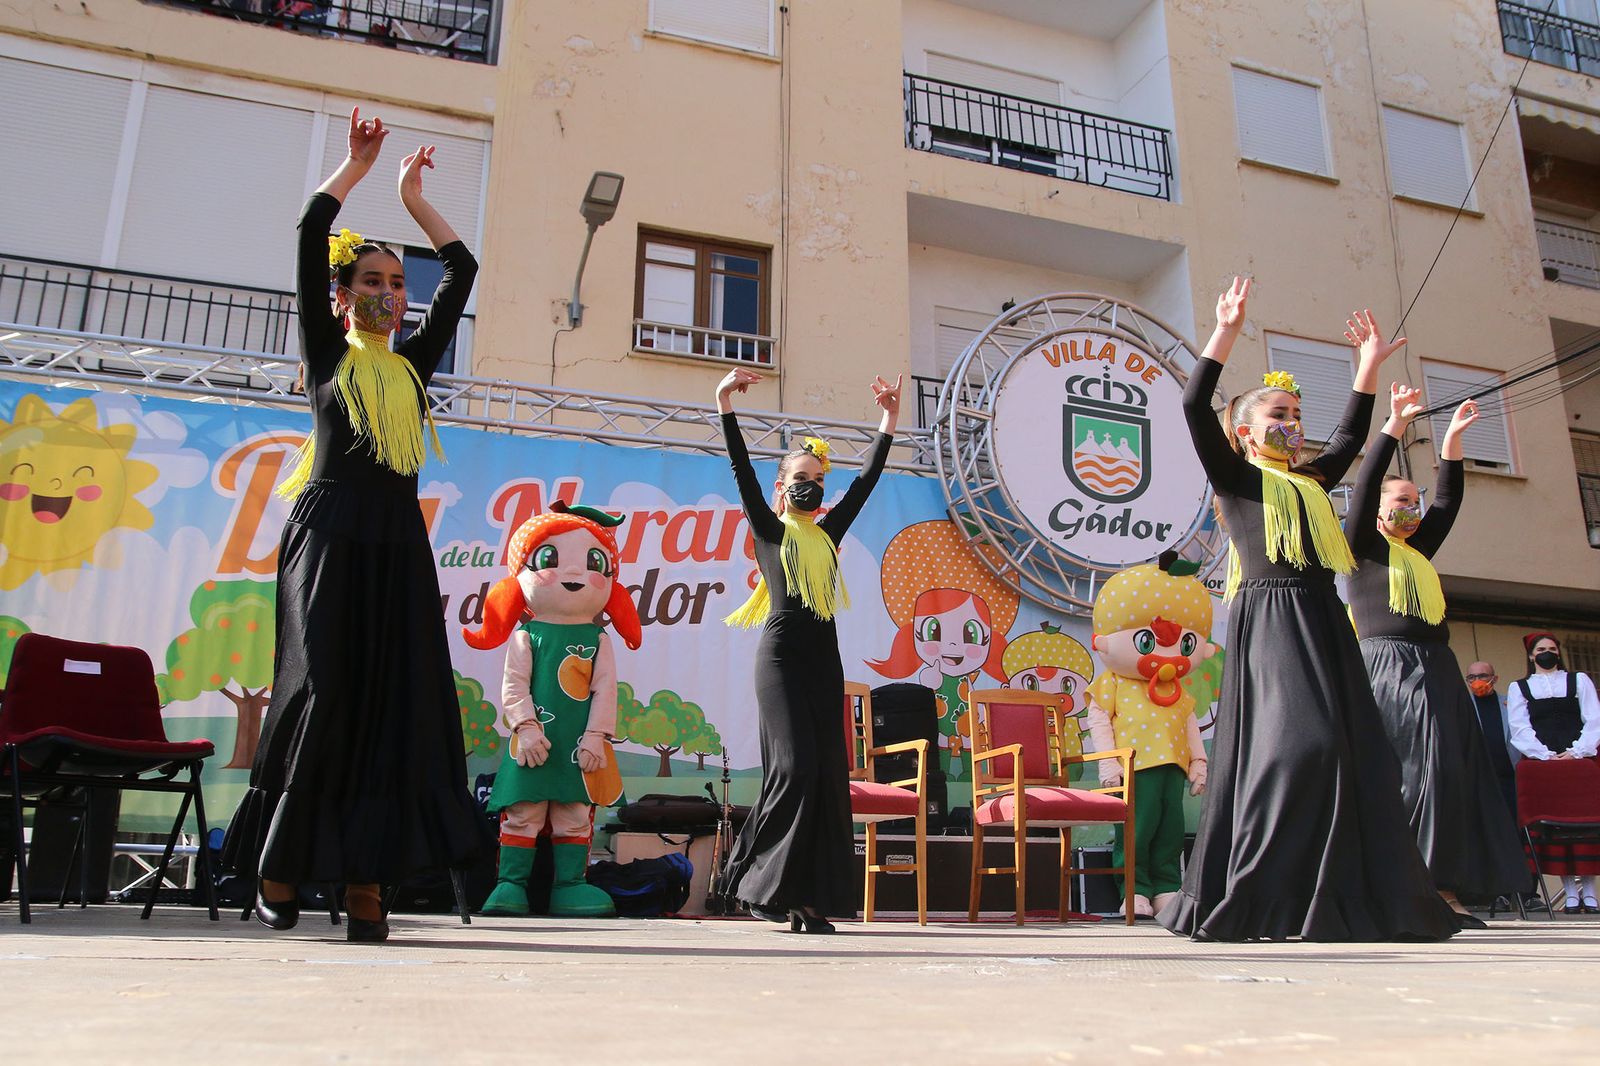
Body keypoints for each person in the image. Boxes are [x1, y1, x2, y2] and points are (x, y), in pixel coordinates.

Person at [221, 108, 485, 942]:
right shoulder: (329, 358)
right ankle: (280, 864)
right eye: (370, 281)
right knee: (324, 692)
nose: (387, 293)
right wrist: (355, 169)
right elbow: (311, 227)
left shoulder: (413, 364)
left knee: (393, 703)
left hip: (398, 544)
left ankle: (370, 884)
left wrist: (414, 200)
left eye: (396, 283)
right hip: (329, 534)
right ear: (340, 298)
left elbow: (462, 265)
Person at [1157, 281, 1458, 942]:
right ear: (1245, 430)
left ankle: (1318, 899)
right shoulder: (1237, 480)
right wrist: (1225, 331)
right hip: (1271, 622)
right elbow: (1190, 403)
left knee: (1357, 756)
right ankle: (1257, 890)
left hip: (1324, 619)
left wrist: (1369, 366)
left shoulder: (1315, 482)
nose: (1293, 426)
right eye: (1279, 416)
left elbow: (1353, 437)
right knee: (1301, 747)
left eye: (1296, 416)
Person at [716, 366, 899, 933]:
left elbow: (866, 482)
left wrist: (889, 419)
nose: (810, 485)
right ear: (782, 486)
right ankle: (761, 885)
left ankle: (807, 899)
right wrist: (724, 403)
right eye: (800, 476)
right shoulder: (769, 529)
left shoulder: (829, 532)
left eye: (818, 477)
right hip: (780, 659)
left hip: (825, 660)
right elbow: (742, 470)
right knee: (793, 768)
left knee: (824, 774)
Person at [1344, 391, 1526, 923]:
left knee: (1452, 772)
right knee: (1418, 771)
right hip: (1391, 665)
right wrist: (1395, 426)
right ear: (1376, 510)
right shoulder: (1361, 546)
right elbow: (1364, 487)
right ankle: (1415, 886)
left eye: (1413, 498)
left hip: (1437, 667)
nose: (1412, 507)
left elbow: (1447, 503)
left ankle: (1444, 886)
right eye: (1400, 500)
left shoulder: (1418, 551)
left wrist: (1450, 443)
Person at [1506, 632, 1600, 913]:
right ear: (1531, 655)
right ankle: (1570, 892)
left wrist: (1577, 751)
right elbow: (1519, 727)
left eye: (1552, 648)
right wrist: (1544, 755)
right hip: (1543, 766)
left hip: (1579, 762)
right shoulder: (1520, 687)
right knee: (1556, 827)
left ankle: (1590, 892)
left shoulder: (1578, 680)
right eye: (1541, 649)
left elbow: (1593, 719)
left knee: (1586, 824)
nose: (1547, 652)